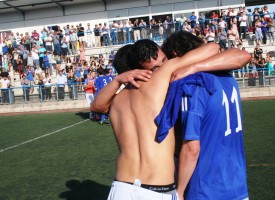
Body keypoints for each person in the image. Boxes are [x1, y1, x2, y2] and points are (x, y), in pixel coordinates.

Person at [91, 33, 250, 199]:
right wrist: (190, 67)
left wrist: (117, 80)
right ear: (140, 68)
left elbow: (96, 106)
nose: (162, 65)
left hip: (121, 187)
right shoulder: (161, 77)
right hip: (156, 189)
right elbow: (213, 47)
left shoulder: (116, 101)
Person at [155, 32, 249, 200]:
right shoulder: (227, 76)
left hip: (206, 187)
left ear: (175, 55)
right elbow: (242, 55)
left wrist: (180, 191)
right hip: (237, 183)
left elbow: (192, 147)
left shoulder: (193, 83)